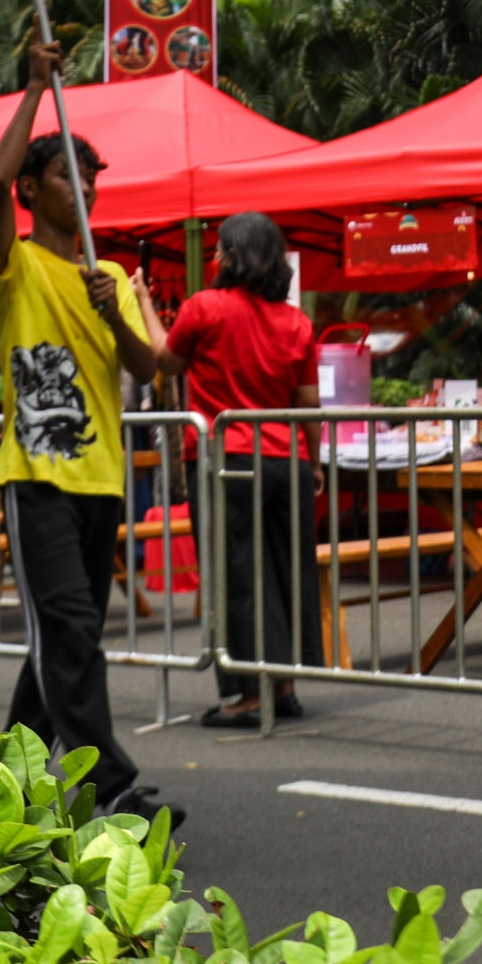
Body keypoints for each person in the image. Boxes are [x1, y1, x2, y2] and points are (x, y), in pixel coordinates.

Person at [0, 43, 176, 826]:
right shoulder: (16, 266)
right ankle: (110, 782)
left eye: (93, 180)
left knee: (66, 638)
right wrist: (33, 87)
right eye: (70, 176)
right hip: (37, 478)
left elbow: (152, 368)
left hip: (103, 480)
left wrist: (115, 311)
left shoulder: (107, 278)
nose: (87, 190)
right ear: (35, 191)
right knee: (67, 629)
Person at [156, 210, 321, 728]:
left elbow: (165, 360)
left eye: (220, 248)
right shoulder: (298, 322)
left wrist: (141, 300)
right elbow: (307, 405)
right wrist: (313, 462)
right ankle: (285, 685)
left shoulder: (204, 308)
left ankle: (252, 694)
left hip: (224, 459)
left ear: (231, 255)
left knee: (238, 577)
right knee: (285, 571)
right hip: (286, 459)